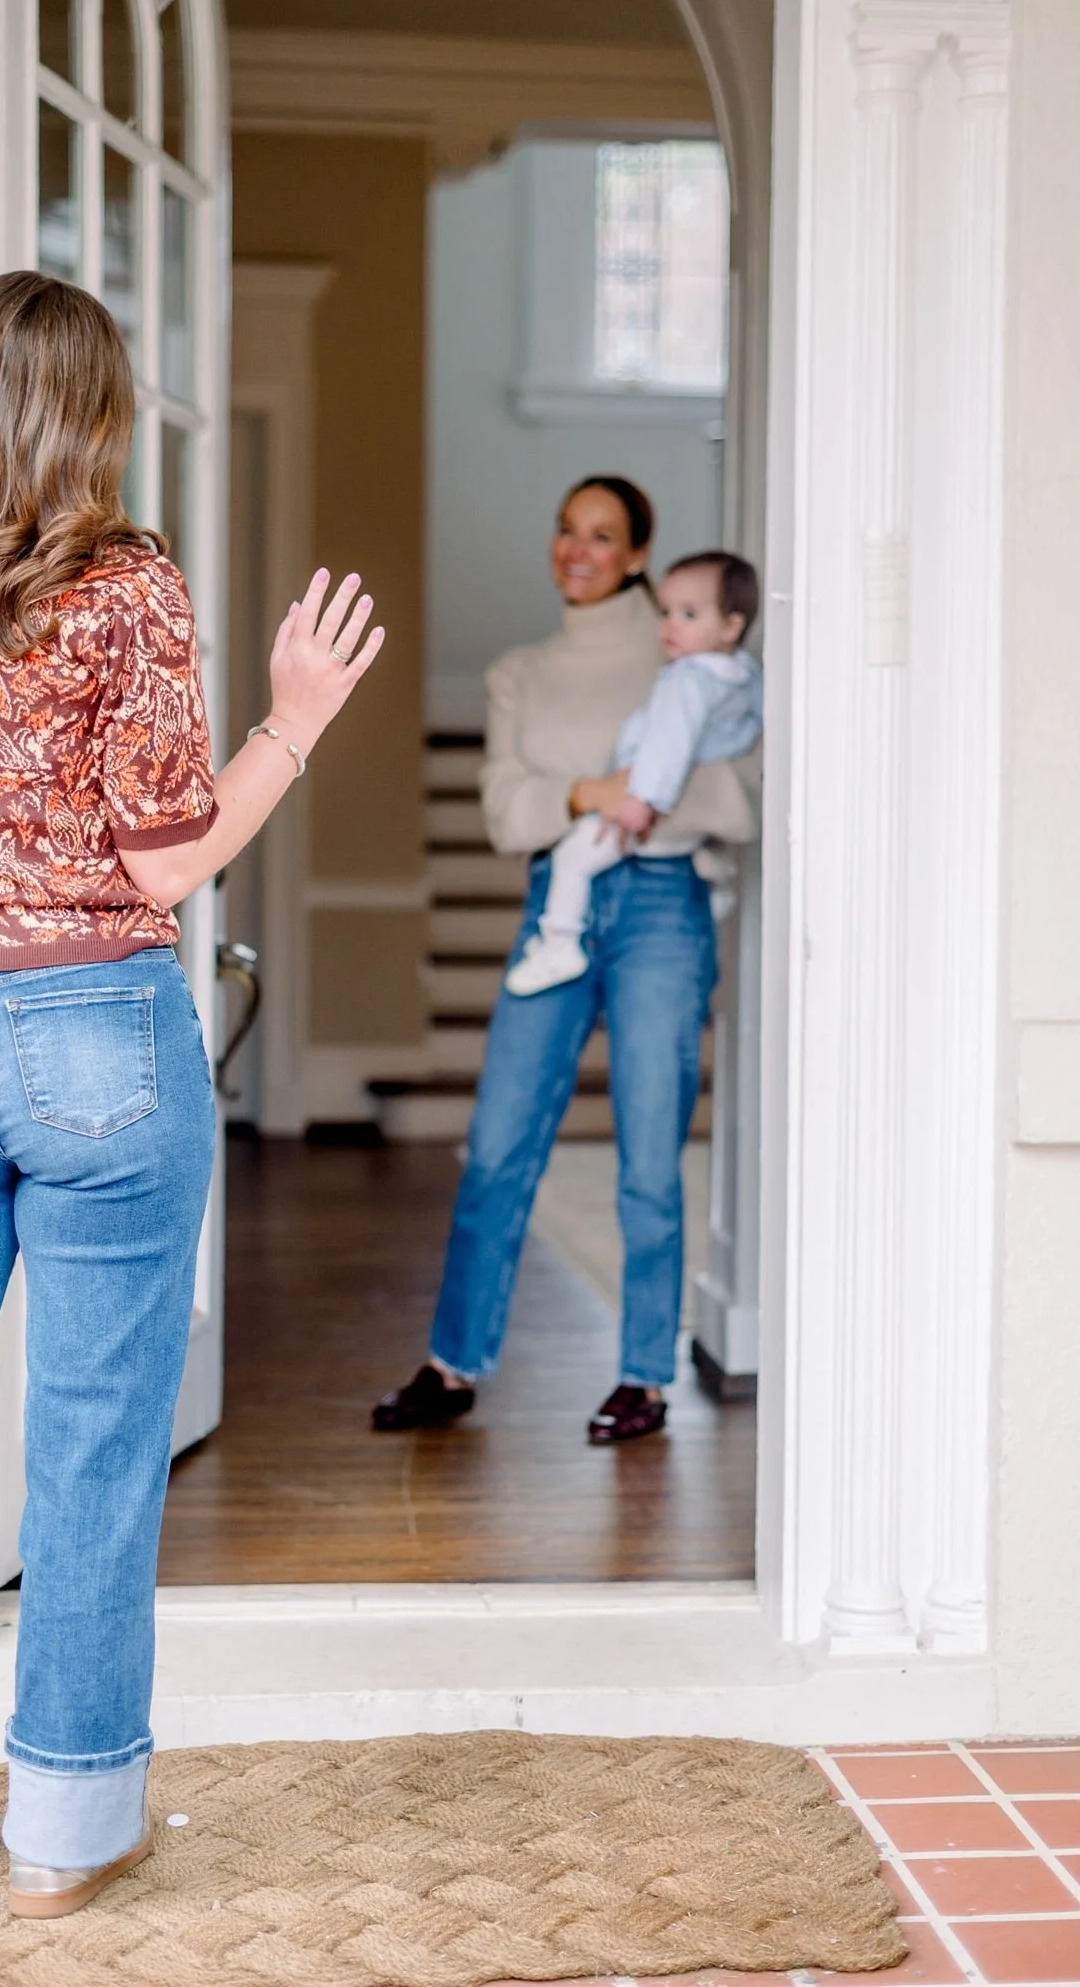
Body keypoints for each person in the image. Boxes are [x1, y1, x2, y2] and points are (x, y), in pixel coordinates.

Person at [0, 271, 382, 1914]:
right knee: (95, 1445)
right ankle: (60, 1836)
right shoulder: (123, 587)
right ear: (88, 421)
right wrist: (294, 721)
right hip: (96, 1030)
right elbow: (171, 853)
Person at [372, 477, 760, 1447]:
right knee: (499, 1144)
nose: (576, 549)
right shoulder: (519, 670)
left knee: (648, 1154)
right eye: (565, 530)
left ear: (637, 554)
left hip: (664, 908)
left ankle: (644, 1376)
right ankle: (453, 1361)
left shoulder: (687, 640)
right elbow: (506, 812)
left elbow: (741, 789)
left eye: (601, 535)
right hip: (559, 898)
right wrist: (611, 788)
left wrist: (593, 796)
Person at [505, 551, 763, 996]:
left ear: (731, 626)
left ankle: (559, 942)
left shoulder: (685, 680)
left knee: (573, 858)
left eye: (688, 614)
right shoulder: (742, 674)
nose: (669, 625)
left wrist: (642, 800)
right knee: (696, 838)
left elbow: (668, 745)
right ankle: (716, 879)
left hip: (642, 804)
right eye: (665, 612)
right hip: (689, 826)